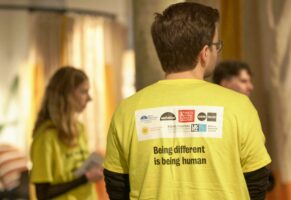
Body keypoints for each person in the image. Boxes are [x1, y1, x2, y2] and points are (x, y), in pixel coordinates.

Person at [104, 2, 271, 200]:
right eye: (217, 45)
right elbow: (257, 182)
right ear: (204, 53)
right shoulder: (239, 107)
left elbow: (117, 186)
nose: (217, 51)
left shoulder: (127, 110)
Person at [30, 66, 102, 200]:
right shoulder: (46, 137)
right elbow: (42, 194)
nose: (89, 98)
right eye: (83, 92)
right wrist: (86, 178)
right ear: (67, 94)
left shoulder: (80, 128)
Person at [212, 60, 276, 191]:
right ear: (225, 83)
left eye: (250, 81)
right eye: (243, 81)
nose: (250, 87)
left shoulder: (246, 111)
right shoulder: (214, 116)